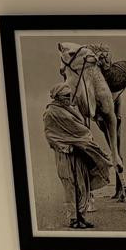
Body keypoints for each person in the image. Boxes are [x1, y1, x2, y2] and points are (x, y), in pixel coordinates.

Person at [42, 81, 113, 230]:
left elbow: (81, 130)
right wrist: (66, 145)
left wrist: (82, 140)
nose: (69, 98)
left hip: (80, 153)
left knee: (82, 185)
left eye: (69, 95)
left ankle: (82, 217)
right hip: (65, 155)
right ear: (58, 97)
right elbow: (50, 135)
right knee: (70, 186)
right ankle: (73, 219)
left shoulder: (72, 110)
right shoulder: (51, 113)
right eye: (66, 96)